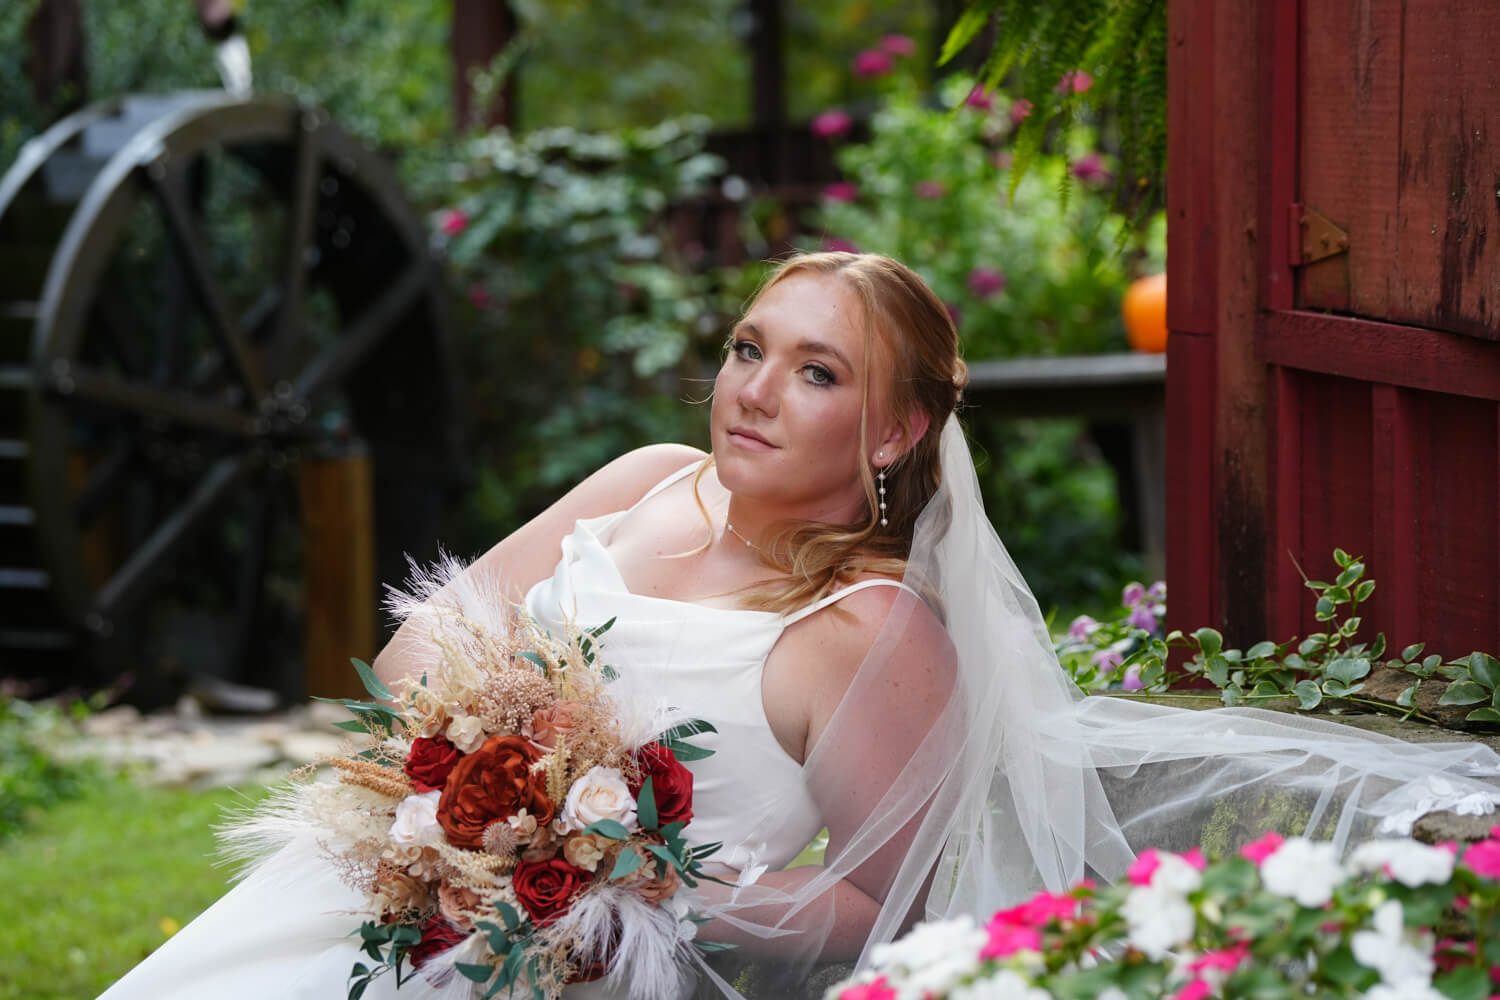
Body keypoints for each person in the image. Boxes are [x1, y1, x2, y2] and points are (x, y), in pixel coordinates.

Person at [97, 252, 1500, 1000]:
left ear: (895, 432)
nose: (753, 390)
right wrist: (482, 758)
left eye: (816, 371)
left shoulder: (863, 630)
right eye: (748, 348)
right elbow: (441, 617)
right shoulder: (649, 484)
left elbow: (871, 905)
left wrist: (618, 888)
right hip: (392, 887)